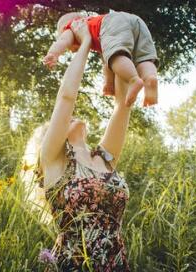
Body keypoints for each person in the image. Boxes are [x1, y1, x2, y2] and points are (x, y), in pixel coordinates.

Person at [33, 19, 132, 271]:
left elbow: (123, 105)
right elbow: (67, 97)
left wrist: (112, 45)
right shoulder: (54, 159)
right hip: (73, 265)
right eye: (66, 120)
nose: (72, 116)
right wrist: (86, 41)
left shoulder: (105, 158)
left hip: (115, 264)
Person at [43, 10, 159, 108]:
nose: (72, 50)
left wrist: (53, 53)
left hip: (112, 22)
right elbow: (107, 63)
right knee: (143, 58)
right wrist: (109, 84)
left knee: (116, 57)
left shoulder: (74, 26)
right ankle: (150, 78)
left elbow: (63, 41)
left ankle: (133, 79)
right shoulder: (96, 29)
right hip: (136, 21)